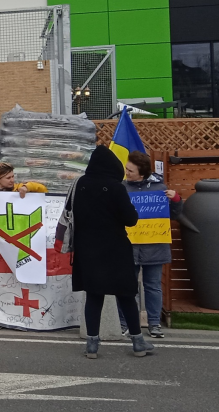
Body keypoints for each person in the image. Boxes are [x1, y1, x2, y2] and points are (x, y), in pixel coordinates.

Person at [69, 145, 154, 359]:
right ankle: (138, 342)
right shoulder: (116, 187)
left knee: (94, 296)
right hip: (115, 248)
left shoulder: (79, 184)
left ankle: (92, 345)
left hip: (86, 248)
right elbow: (130, 219)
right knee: (125, 294)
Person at [118, 151, 181, 339]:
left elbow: (175, 215)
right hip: (129, 247)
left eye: (130, 170)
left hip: (154, 246)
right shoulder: (121, 188)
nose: (127, 172)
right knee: (129, 287)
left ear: (142, 173)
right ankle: (127, 323)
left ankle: (154, 324)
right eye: (127, 168)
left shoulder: (159, 188)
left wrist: (176, 199)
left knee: (152, 286)